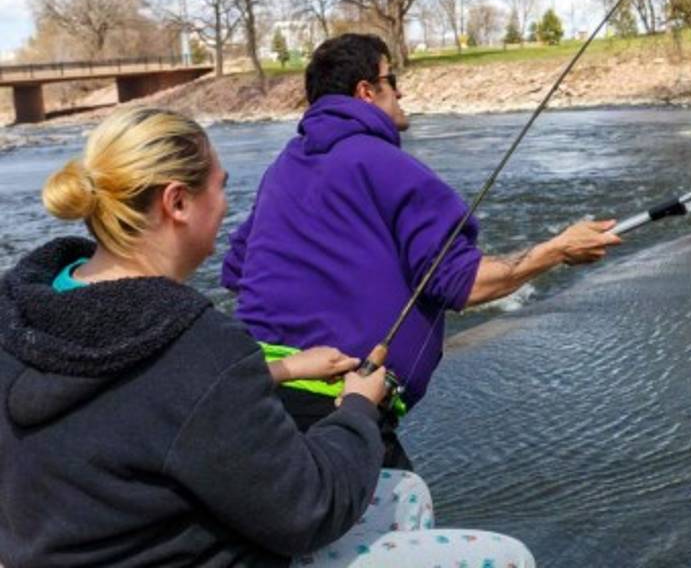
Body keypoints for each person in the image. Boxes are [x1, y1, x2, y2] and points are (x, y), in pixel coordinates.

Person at [0, 107, 534, 567]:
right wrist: (357, 407)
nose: (225, 206)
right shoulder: (194, 344)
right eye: (220, 187)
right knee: (506, 557)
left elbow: (138, 406)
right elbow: (310, 509)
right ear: (177, 203)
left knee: (404, 494)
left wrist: (282, 368)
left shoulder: (24, 311)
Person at [222, 33, 622, 466]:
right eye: (391, 80)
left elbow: (237, 269)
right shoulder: (385, 163)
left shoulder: (283, 166)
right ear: (366, 92)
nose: (401, 92)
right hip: (338, 409)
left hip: (254, 398)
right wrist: (558, 250)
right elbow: (463, 283)